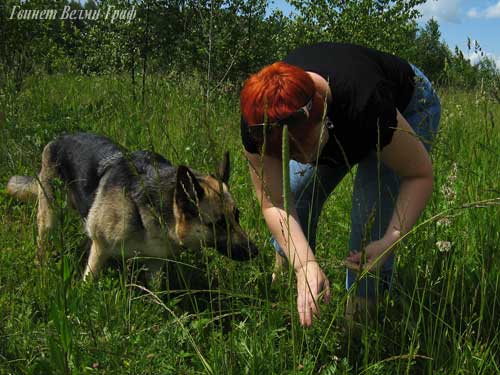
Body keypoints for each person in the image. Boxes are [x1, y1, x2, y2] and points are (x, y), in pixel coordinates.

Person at [239, 42, 441, 327]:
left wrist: (389, 241)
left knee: (370, 226)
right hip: (342, 120)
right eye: (289, 154)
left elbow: (419, 175)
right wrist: (304, 264)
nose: (304, 161)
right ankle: (287, 286)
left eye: (304, 148)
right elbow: (276, 201)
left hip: (406, 104)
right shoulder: (258, 123)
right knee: (297, 191)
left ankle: (359, 325)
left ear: (323, 112)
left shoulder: (366, 104)